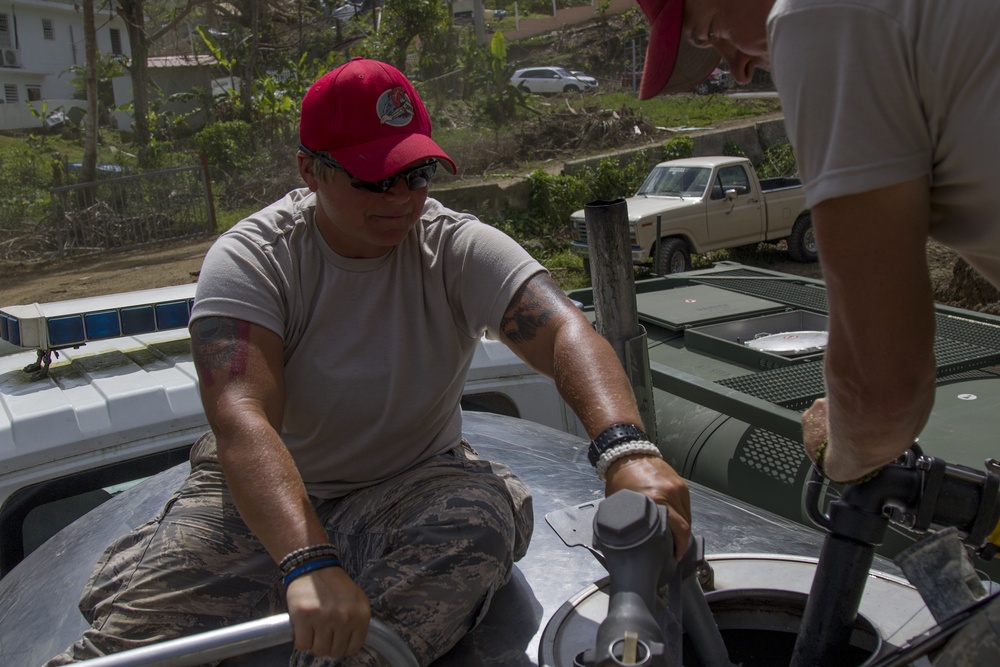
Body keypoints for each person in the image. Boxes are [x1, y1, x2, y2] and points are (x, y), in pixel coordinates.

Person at [47, 57, 691, 666]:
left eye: (415, 174)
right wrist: (305, 560)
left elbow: (565, 335)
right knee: (128, 647)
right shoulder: (254, 259)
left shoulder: (453, 247)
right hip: (258, 493)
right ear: (310, 170)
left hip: (413, 481)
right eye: (373, 179)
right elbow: (241, 416)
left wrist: (626, 451)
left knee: (476, 526)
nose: (401, 198)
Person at [636, 0, 1000, 484]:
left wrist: (839, 450)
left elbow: (884, 388)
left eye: (711, 33)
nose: (738, 69)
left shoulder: (814, 17)